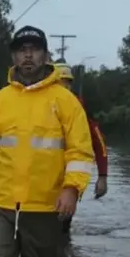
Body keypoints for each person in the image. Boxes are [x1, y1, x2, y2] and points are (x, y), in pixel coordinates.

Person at [0, 25, 95, 257]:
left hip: (44, 206)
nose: (28, 56)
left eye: (34, 50)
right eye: (22, 51)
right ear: (13, 57)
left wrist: (71, 189)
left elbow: (79, 152)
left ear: (46, 55)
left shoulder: (65, 102)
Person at [50, 61, 109, 234]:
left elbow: (99, 142)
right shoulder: (39, 105)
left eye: (67, 82)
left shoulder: (79, 108)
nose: (64, 86)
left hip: (69, 181)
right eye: (60, 82)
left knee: (61, 229)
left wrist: (103, 176)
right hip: (41, 181)